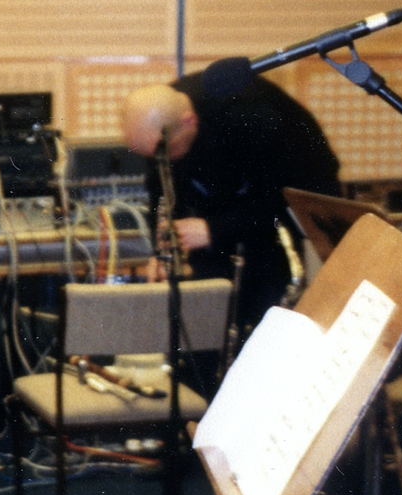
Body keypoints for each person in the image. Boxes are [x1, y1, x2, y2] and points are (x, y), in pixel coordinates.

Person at [121, 75, 342, 328]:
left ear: (189, 121)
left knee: (263, 301)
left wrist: (214, 229)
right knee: (208, 305)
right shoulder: (162, 123)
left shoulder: (252, 116)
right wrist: (160, 251)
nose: (160, 162)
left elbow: (279, 201)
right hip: (235, 190)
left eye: (164, 152)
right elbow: (159, 188)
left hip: (297, 185)